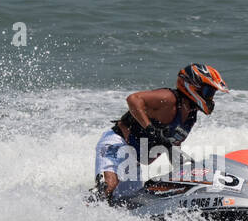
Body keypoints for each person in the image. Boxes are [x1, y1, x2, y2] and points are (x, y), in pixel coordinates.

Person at [92, 64, 230, 203]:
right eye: (208, 92)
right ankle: (81, 212)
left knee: (128, 203)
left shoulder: (190, 117)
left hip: (133, 161)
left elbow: (173, 147)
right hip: (116, 144)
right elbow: (133, 99)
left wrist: (189, 172)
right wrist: (150, 128)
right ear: (193, 86)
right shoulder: (169, 98)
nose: (210, 98)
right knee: (107, 188)